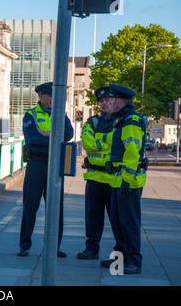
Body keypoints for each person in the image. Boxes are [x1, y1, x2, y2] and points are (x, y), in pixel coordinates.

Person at [18, 82, 74, 257]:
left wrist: (46, 134)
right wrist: (53, 136)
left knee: (56, 208)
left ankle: (54, 247)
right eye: (49, 96)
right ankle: (24, 245)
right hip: (36, 164)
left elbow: (69, 134)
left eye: (54, 96)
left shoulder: (61, 115)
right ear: (41, 97)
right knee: (30, 206)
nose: (52, 99)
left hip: (55, 164)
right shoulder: (30, 115)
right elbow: (33, 138)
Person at [101, 84, 147, 274]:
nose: (110, 102)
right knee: (118, 222)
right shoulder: (121, 120)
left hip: (128, 181)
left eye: (111, 99)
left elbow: (132, 152)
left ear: (119, 100)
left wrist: (127, 180)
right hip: (118, 180)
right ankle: (120, 258)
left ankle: (134, 261)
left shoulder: (131, 120)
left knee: (129, 222)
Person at [77, 87, 115, 260]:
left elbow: (119, 142)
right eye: (101, 101)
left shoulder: (121, 121)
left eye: (107, 100)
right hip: (93, 177)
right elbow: (86, 142)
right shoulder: (92, 122)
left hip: (113, 178)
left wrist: (97, 140)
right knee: (92, 217)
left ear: (114, 101)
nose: (104, 103)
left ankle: (120, 252)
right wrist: (107, 140)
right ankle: (91, 249)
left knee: (117, 219)